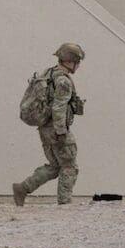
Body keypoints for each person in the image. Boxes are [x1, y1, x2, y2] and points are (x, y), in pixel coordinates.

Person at [12, 43, 85, 206]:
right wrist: (61, 132)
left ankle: (23, 188)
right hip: (56, 128)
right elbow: (59, 107)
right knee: (69, 166)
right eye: (77, 61)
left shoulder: (48, 73)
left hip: (44, 127)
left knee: (55, 166)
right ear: (70, 61)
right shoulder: (63, 80)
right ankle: (65, 203)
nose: (78, 65)